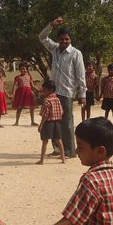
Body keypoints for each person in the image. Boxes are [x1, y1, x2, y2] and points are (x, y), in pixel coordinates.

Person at [39, 17, 86, 158]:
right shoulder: (54, 49)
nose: (64, 42)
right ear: (58, 40)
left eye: (67, 39)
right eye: (61, 39)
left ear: (70, 40)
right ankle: (58, 149)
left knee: (67, 122)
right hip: (53, 92)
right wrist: (51, 25)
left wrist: (82, 94)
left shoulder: (76, 53)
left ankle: (70, 151)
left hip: (67, 92)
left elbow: (80, 74)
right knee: (53, 121)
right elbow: (42, 37)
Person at [38, 80, 65, 165]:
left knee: (45, 142)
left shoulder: (47, 100)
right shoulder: (57, 99)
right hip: (57, 122)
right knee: (59, 140)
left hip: (48, 123)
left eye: (44, 90)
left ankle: (42, 160)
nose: (43, 92)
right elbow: (61, 111)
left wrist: (41, 125)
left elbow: (45, 115)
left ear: (50, 90)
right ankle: (63, 158)